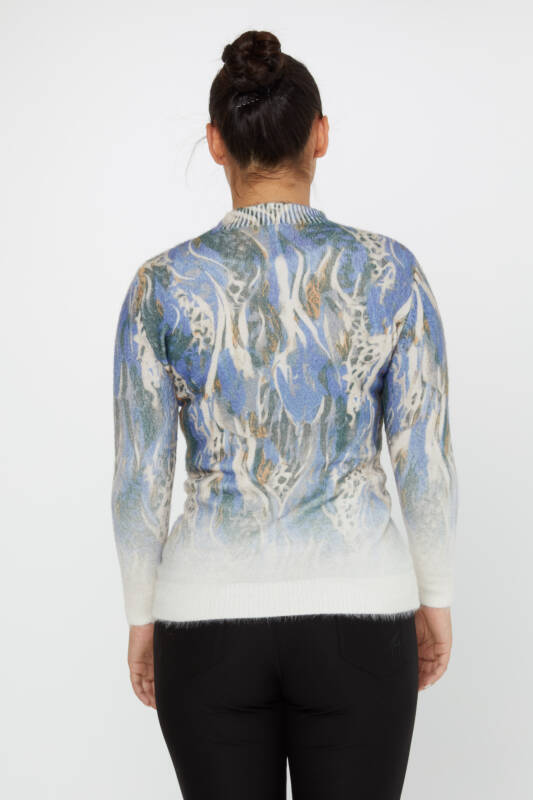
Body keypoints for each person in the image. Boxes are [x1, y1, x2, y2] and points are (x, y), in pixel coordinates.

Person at [111, 29, 458, 800]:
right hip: (360, 617)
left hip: (204, 624)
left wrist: (142, 615)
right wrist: (433, 600)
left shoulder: (160, 286)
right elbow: (424, 456)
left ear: (216, 143)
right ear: (319, 135)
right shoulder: (389, 272)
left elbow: (139, 475)